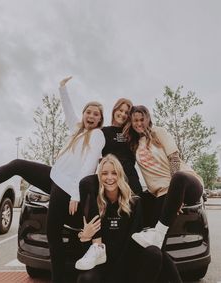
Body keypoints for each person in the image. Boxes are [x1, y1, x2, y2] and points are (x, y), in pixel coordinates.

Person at [0, 77, 105, 283]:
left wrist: (76, 193)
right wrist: (62, 88)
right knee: (17, 165)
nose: (91, 116)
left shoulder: (97, 135)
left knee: (53, 234)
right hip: (54, 176)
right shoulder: (77, 131)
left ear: (100, 119)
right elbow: (68, 111)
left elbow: (89, 166)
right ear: (84, 115)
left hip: (67, 185)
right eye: (88, 112)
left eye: (96, 114)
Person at [76, 154, 182, 283]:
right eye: (104, 173)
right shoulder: (93, 205)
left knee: (154, 252)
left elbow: (132, 246)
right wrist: (85, 238)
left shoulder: (134, 203)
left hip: (127, 264)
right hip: (103, 264)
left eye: (114, 173)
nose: (109, 178)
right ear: (99, 177)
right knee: (85, 278)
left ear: (120, 175)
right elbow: (90, 254)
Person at [76, 97, 143, 270]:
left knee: (138, 203)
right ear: (114, 110)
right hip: (108, 176)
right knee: (85, 184)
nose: (122, 114)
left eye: (126, 112)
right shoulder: (102, 131)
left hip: (128, 175)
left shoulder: (132, 133)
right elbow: (89, 152)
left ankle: (135, 250)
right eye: (119, 110)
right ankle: (96, 245)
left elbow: (146, 128)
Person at [123, 105, 204, 249]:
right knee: (157, 246)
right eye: (135, 120)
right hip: (162, 193)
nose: (139, 123)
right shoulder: (133, 144)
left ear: (148, 119)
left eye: (142, 119)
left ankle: (157, 234)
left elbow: (174, 158)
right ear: (131, 121)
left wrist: (176, 194)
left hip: (187, 183)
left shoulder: (158, 132)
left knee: (179, 177)